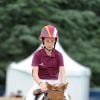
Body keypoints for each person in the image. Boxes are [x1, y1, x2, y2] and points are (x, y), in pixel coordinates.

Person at [25, 25, 67, 100]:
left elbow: (62, 73)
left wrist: (62, 84)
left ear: (55, 41)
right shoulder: (37, 55)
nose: (50, 44)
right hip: (40, 83)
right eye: (47, 41)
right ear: (43, 40)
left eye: (52, 41)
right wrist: (40, 83)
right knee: (29, 97)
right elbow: (34, 74)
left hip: (55, 84)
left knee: (67, 98)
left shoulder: (59, 55)